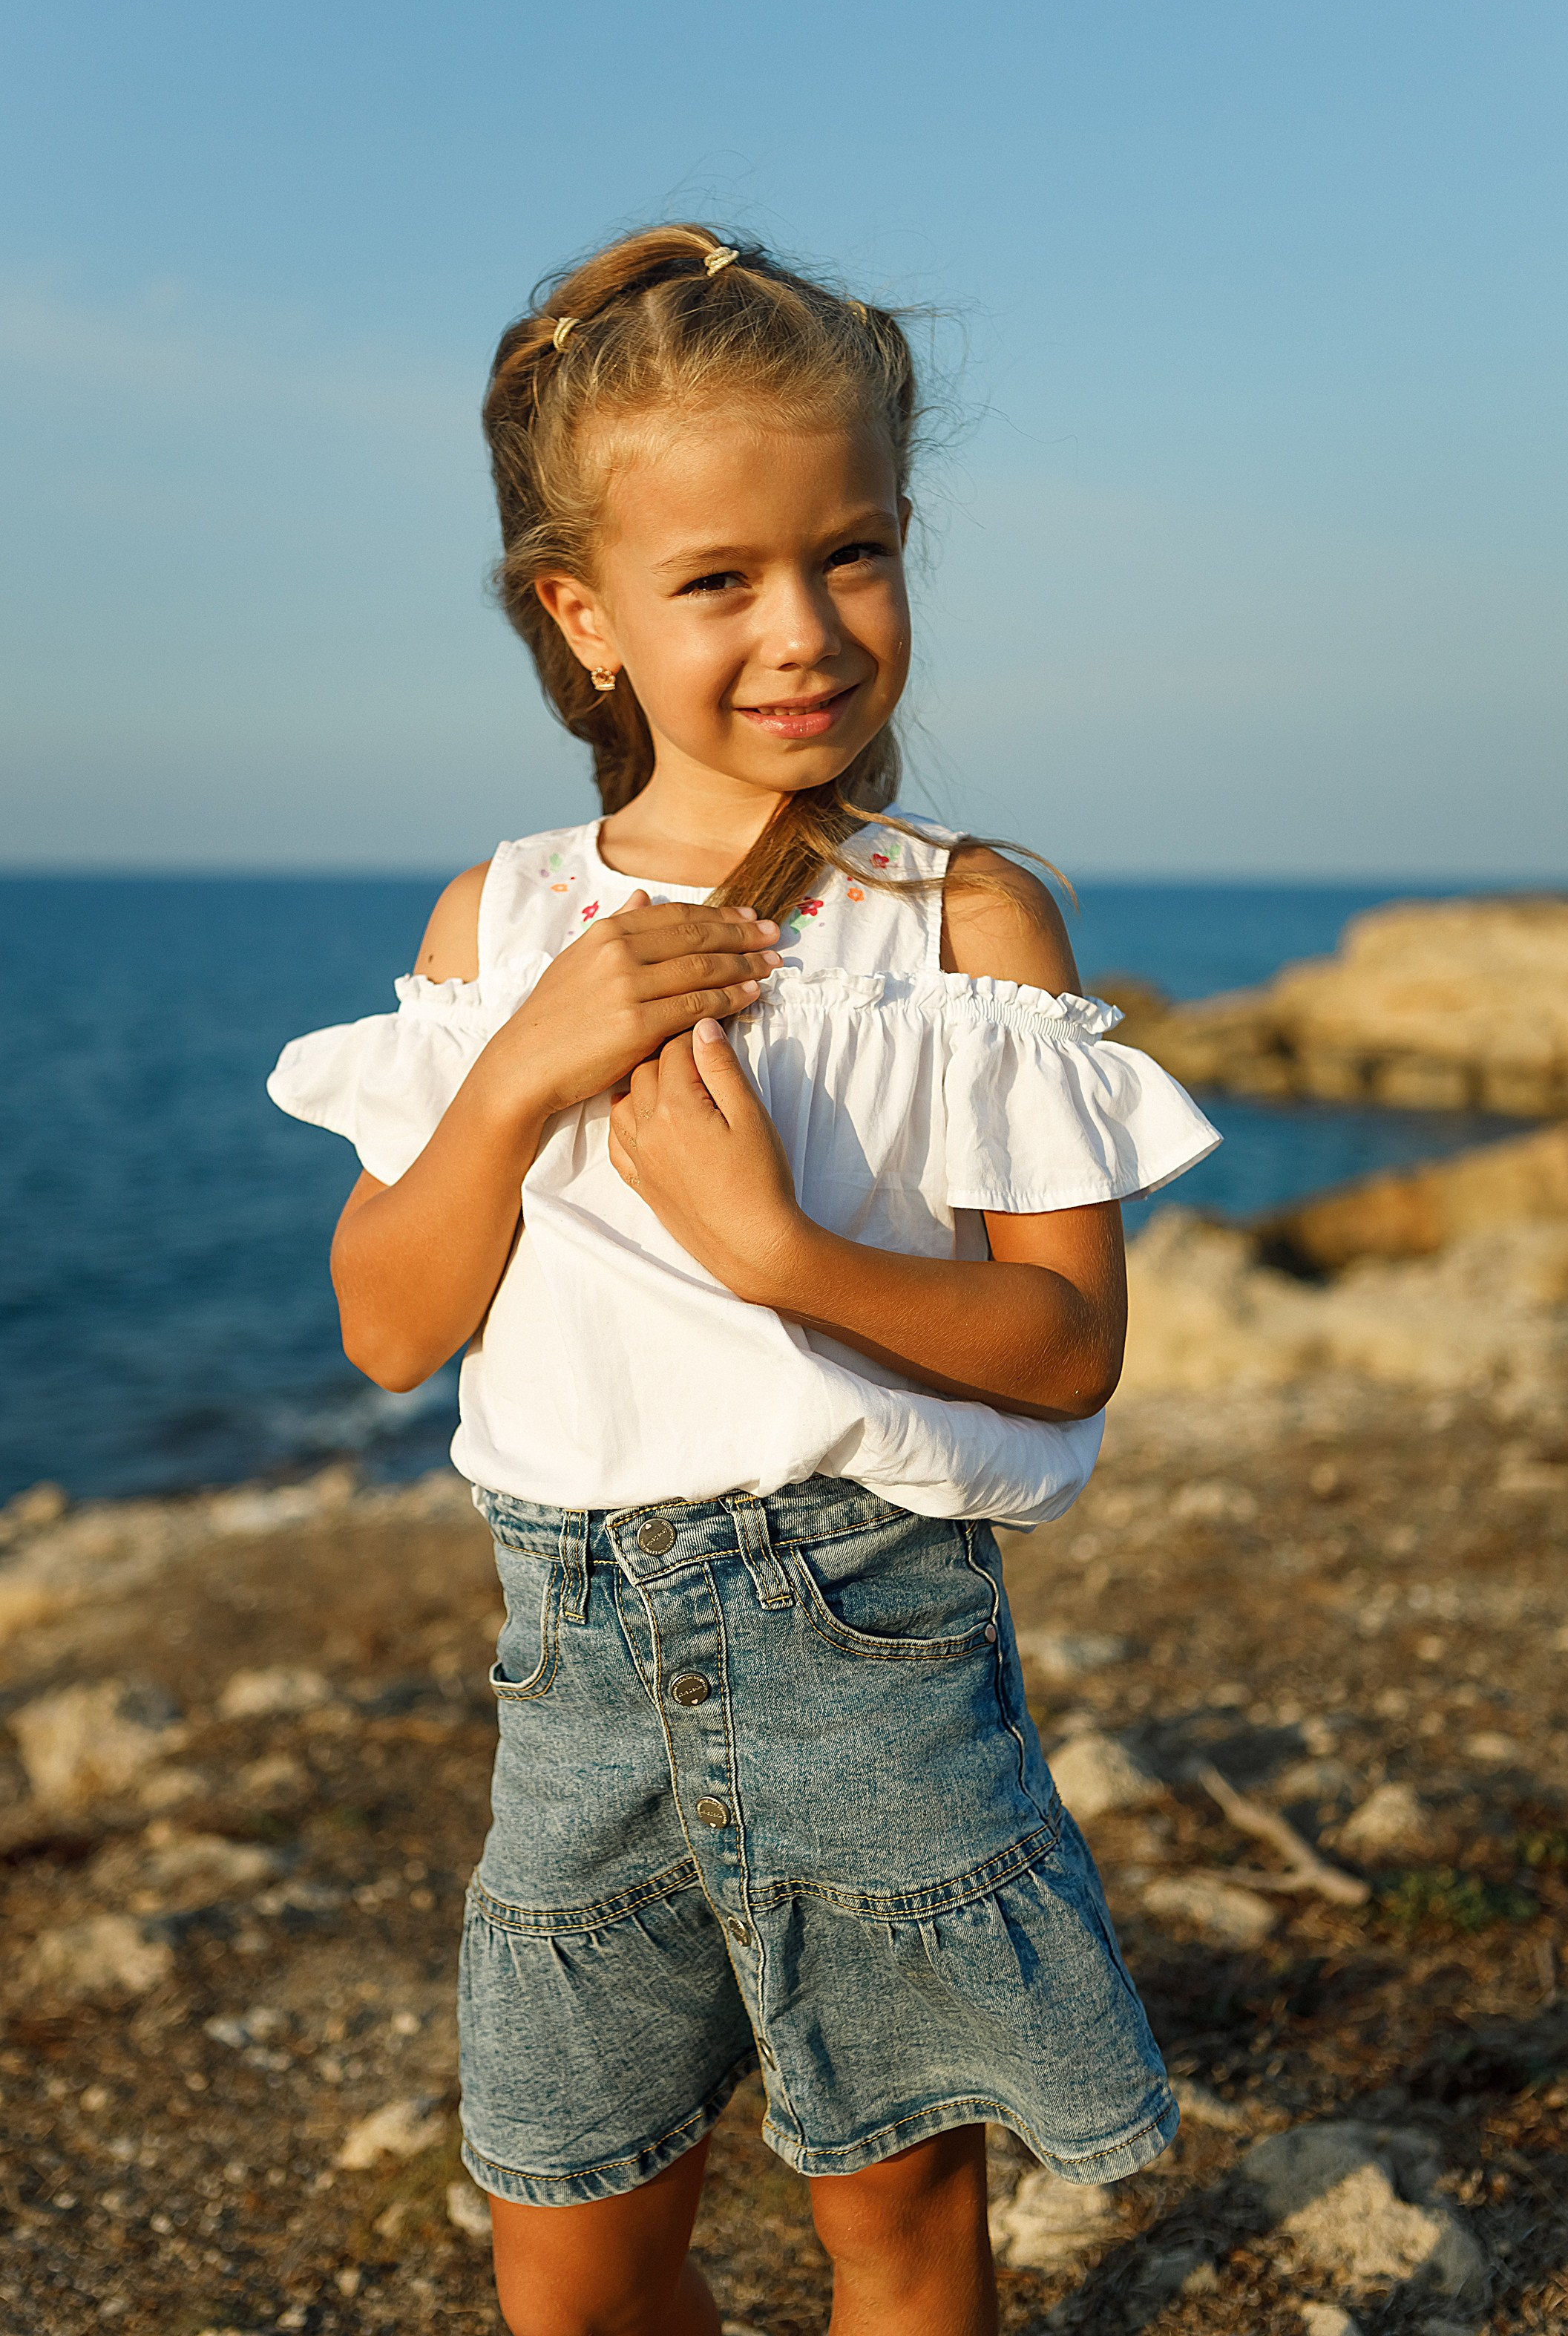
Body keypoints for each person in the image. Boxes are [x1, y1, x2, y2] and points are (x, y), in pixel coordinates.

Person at [268, 223, 1219, 2336]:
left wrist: (780, 1253)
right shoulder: (500, 922)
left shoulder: (960, 921)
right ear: (583, 615)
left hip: (869, 1644)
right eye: (718, 580)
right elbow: (390, 1325)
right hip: (574, 1672)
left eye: (853, 554)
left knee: (898, 2228)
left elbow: (1068, 1350)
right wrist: (520, 1071)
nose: (805, 630)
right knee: (573, 2252)